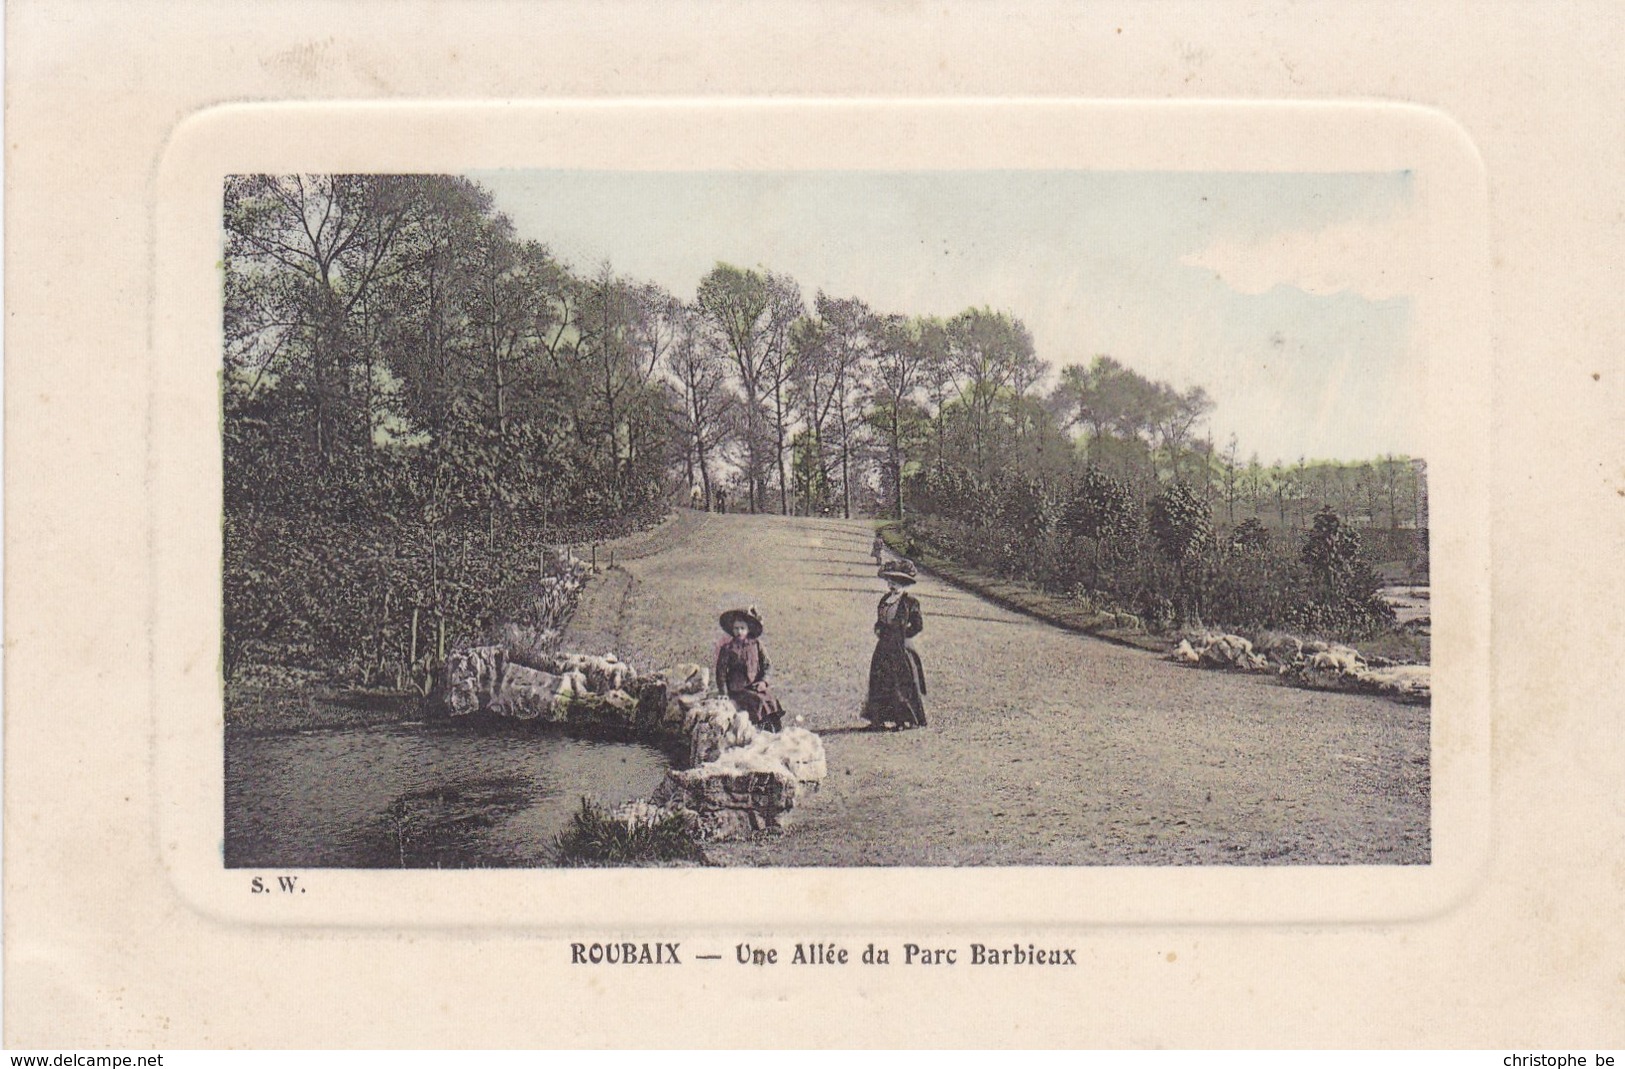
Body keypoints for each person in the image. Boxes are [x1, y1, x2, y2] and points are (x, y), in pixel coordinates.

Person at [863, 559, 927, 730]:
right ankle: (878, 719)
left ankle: (905, 719)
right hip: (883, 645)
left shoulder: (910, 603)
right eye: (890, 581)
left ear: (904, 583)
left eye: (896, 582)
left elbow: (918, 625)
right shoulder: (885, 599)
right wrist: (878, 629)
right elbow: (880, 620)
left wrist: (902, 635)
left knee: (900, 682)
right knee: (879, 679)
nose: (892, 585)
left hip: (899, 647)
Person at [715, 606, 785, 732]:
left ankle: (773, 729)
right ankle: (759, 729)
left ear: (748, 630)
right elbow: (721, 673)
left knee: (770, 698)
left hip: (755, 685)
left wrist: (764, 682)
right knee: (757, 701)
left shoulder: (757, 645)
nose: (739, 632)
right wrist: (724, 693)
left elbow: (767, 665)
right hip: (738, 689)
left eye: (742, 628)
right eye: (736, 628)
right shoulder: (727, 649)